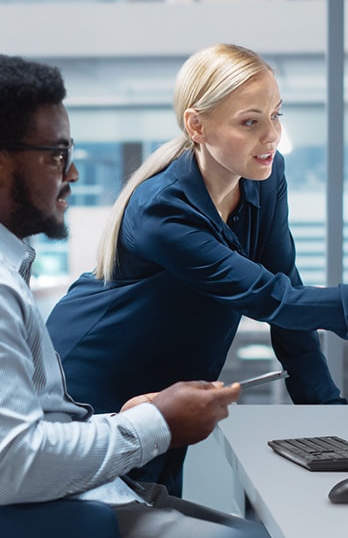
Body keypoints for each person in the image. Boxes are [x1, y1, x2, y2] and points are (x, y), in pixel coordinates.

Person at [46, 43, 348, 495]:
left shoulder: (265, 179)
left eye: (276, 115)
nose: (271, 136)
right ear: (196, 125)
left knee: (155, 512)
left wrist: (331, 421)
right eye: (250, 122)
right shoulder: (163, 209)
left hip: (165, 394)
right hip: (92, 384)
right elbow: (273, 300)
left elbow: (287, 303)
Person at [0, 54, 270, 537]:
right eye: (56, 154)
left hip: (90, 492)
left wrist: (128, 419)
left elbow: (29, 433)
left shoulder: (12, 269)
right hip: (65, 512)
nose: (73, 173)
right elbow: (12, 463)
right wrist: (155, 425)